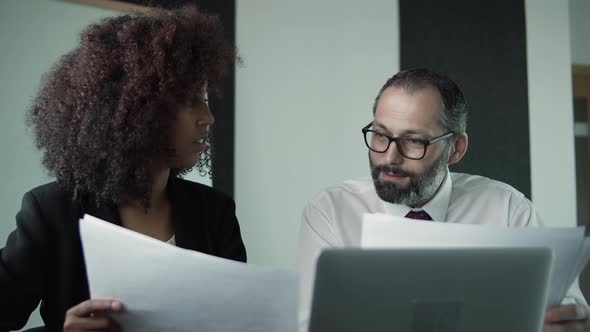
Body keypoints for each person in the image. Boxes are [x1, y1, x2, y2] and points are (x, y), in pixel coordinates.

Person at [0, 6, 246, 332]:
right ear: (134, 109)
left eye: (204, 99)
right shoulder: (51, 211)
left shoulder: (216, 212)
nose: (208, 117)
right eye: (189, 101)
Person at [298, 68, 589, 331]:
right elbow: (310, 324)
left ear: (455, 149)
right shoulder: (331, 213)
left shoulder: (510, 211)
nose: (389, 157)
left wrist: (573, 324)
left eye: (414, 141)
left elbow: (569, 311)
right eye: (380, 135)